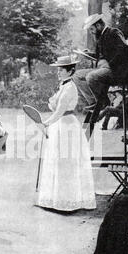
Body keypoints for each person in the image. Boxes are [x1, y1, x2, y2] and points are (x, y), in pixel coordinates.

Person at [36, 55, 96, 212]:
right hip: (61, 126)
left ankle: (67, 202)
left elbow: (59, 111)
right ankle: (54, 200)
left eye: (61, 70)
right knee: (57, 161)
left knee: (66, 163)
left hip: (67, 126)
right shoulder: (63, 86)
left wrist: (45, 123)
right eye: (58, 70)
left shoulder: (70, 88)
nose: (58, 72)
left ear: (71, 71)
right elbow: (54, 105)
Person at [73, 14, 128, 116]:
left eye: (92, 29)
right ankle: (94, 102)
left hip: (116, 71)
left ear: (99, 26)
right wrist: (88, 54)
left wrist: (109, 63)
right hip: (103, 69)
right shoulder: (100, 38)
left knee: (91, 76)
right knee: (76, 75)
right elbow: (100, 56)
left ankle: (103, 103)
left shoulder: (114, 32)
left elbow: (123, 51)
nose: (91, 32)